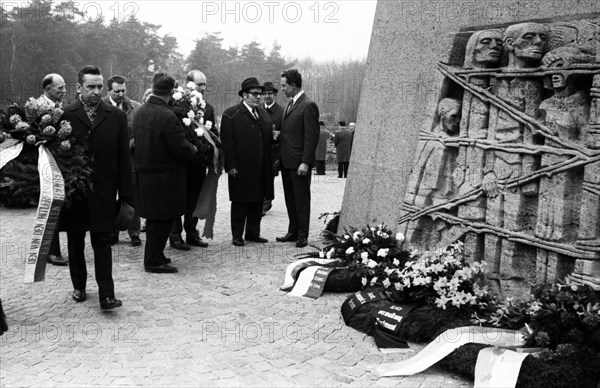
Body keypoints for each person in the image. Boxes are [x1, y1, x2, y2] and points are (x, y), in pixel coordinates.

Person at [60, 65, 133, 310]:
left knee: (102, 241)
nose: (96, 91)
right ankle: (79, 286)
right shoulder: (65, 114)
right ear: (79, 87)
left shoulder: (116, 116)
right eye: (90, 86)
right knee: (75, 239)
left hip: (104, 190)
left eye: (99, 86)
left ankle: (107, 294)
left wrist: (127, 195)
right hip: (76, 191)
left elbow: (124, 158)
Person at [134, 73, 198, 273]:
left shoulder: (141, 111)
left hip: (145, 175)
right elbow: (179, 147)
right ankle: (153, 261)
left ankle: (157, 255)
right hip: (164, 178)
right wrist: (194, 149)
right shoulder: (166, 115)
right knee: (161, 221)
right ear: (171, 92)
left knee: (155, 220)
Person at [221, 78, 274, 246]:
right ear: (244, 95)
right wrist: (231, 165)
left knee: (257, 201)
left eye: (261, 94)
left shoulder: (263, 114)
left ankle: (253, 233)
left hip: (260, 167)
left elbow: (266, 139)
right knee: (240, 201)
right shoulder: (231, 114)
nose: (259, 97)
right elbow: (227, 143)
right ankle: (237, 235)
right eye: (255, 94)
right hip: (241, 168)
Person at [169, 70, 214, 250]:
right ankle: (175, 234)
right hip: (179, 163)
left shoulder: (208, 108)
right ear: (188, 84)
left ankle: (192, 232)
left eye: (204, 85)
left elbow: (211, 134)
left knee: (194, 199)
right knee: (177, 198)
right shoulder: (175, 104)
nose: (202, 88)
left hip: (198, 163)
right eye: (199, 84)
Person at [276, 68, 320, 248]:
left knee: (301, 200)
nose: (282, 89)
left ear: (294, 85)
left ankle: (303, 235)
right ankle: (293, 231)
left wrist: (305, 162)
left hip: (299, 164)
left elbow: (312, 137)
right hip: (287, 162)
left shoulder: (308, 105)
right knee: (290, 199)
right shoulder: (289, 104)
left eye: (284, 86)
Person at [103, 75, 143, 247]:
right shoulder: (100, 106)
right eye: (116, 91)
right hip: (109, 161)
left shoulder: (136, 108)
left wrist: (130, 144)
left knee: (131, 196)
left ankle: (134, 232)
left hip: (130, 160)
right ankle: (111, 231)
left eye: (123, 91)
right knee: (109, 196)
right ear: (108, 91)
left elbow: (142, 132)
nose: (120, 94)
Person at [41, 73, 69, 266]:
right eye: (60, 88)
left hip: (63, 164)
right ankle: (51, 251)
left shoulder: (62, 108)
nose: (64, 91)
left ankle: (53, 249)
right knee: (50, 206)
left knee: (58, 206)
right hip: (45, 165)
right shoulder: (36, 109)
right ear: (48, 89)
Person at [262, 81, 284, 216]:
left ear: (274, 95)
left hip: (274, 152)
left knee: (269, 178)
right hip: (259, 151)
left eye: (269, 93)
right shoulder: (257, 109)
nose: (267, 96)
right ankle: (262, 202)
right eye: (264, 94)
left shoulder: (281, 112)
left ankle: (265, 204)